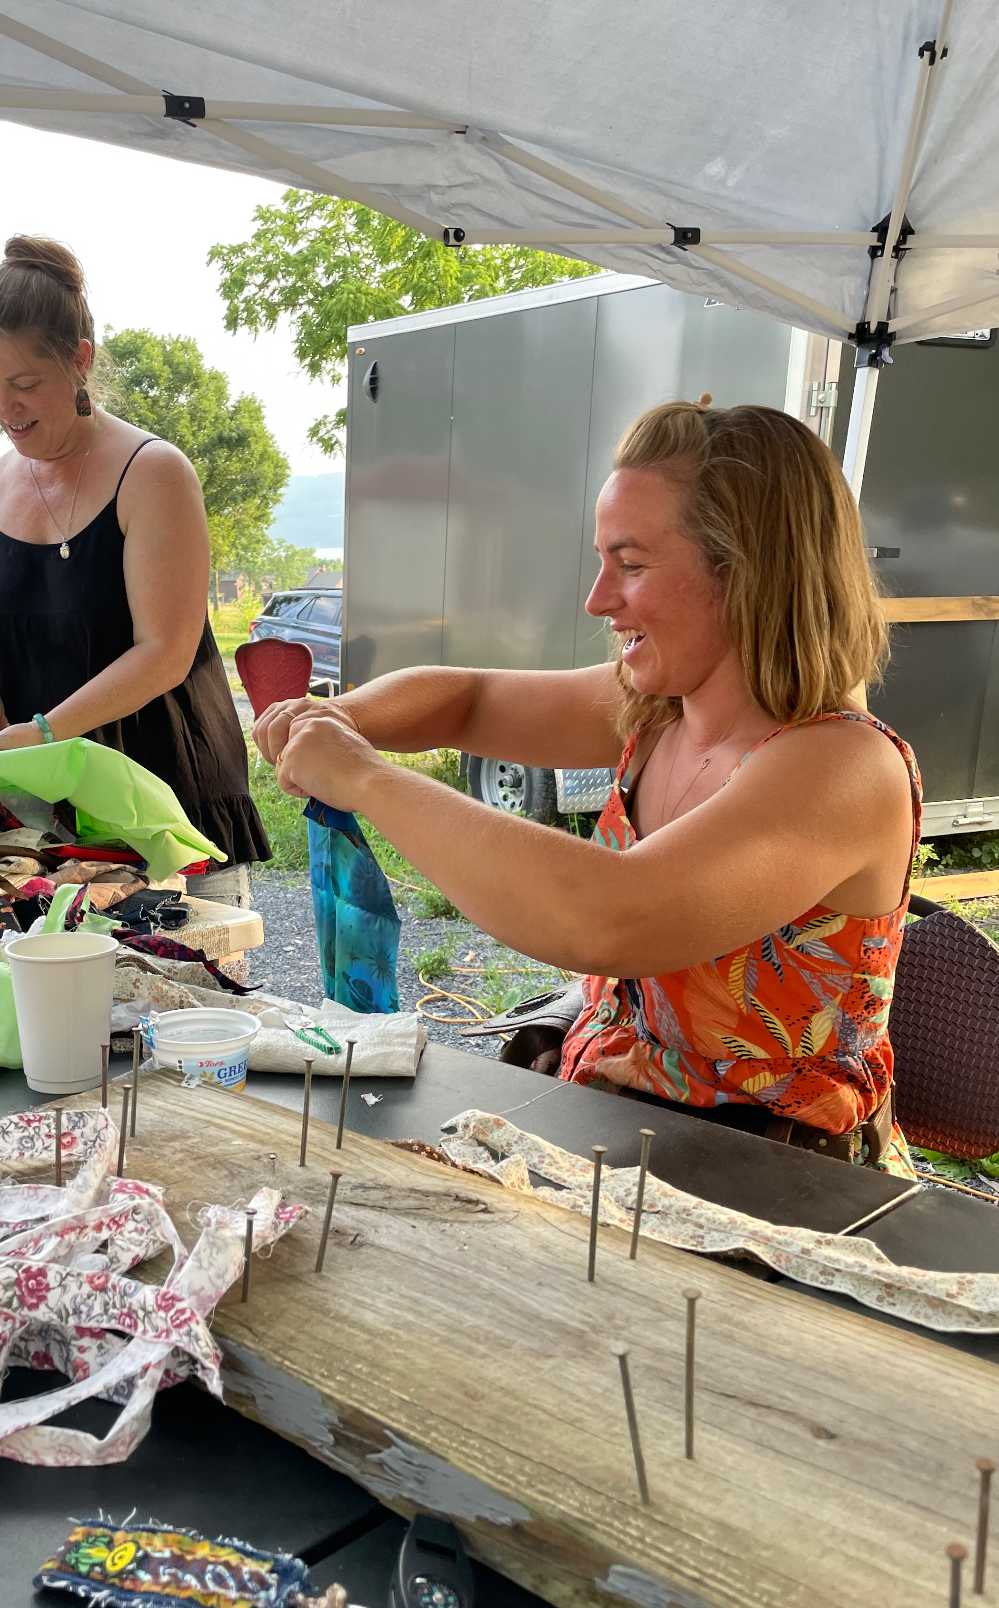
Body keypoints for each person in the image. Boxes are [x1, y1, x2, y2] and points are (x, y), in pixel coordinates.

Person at [256, 400, 921, 1173]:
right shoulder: (659, 709)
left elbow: (609, 916)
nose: (598, 599)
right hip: (612, 1130)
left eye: (631, 564)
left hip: (779, 1186)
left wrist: (365, 779)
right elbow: (468, 699)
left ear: (748, 573)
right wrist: (336, 718)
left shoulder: (844, 767)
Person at [0, 234, 270, 882]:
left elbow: (165, 652)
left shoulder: (153, 473)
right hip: (43, 803)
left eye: (24, 384)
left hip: (164, 798)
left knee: (176, 981)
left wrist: (45, 733)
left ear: (79, 362)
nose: (2, 408)